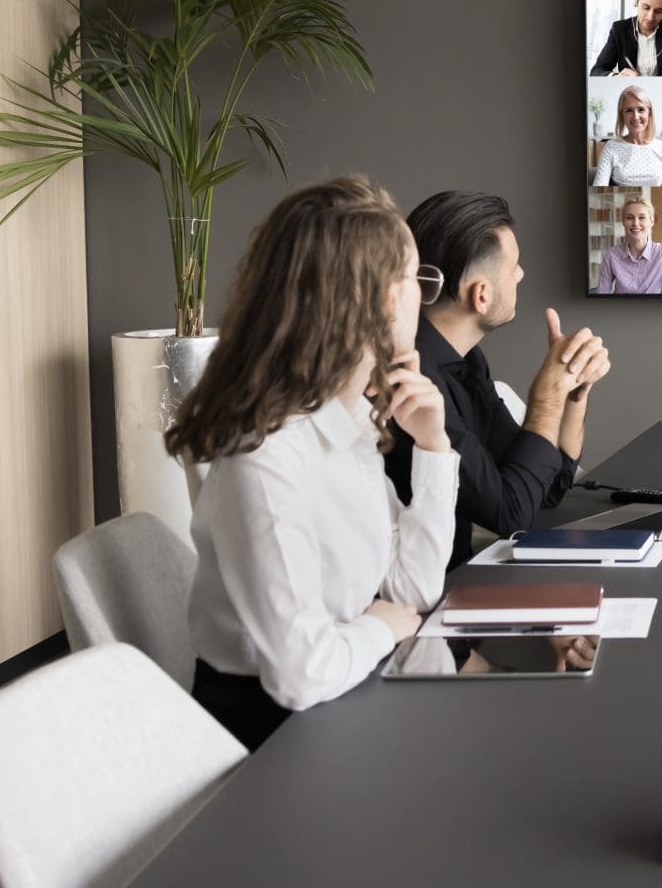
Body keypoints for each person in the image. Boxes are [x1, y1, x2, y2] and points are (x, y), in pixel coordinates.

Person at [168, 176, 455, 750]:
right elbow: (300, 675)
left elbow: (410, 590)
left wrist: (434, 448)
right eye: (416, 279)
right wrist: (380, 626)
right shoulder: (265, 456)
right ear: (383, 298)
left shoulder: (347, 424)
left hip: (342, 701)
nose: (423, 299)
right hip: (268, 744)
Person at [388, 190, 611, 569]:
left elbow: (545, 488)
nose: (521, 275)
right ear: (481, 295)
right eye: (514, 267)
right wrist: (546, 397)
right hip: (424, 595)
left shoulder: (467, 360)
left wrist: (571, 390)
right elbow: (511, 516)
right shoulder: (414, 384)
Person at [593, 192, 662, 295]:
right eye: (629, 218)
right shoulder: (611, 255)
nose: (635, 223)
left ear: (651, 221)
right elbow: (601, 296)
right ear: (623, 222)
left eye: (642, 217)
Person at [592, 85, 662, 187]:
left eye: (641, 109)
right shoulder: (611, 147)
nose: (635, 117)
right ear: (622, 115)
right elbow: (598, 188)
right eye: (629, 110)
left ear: (649, 113)